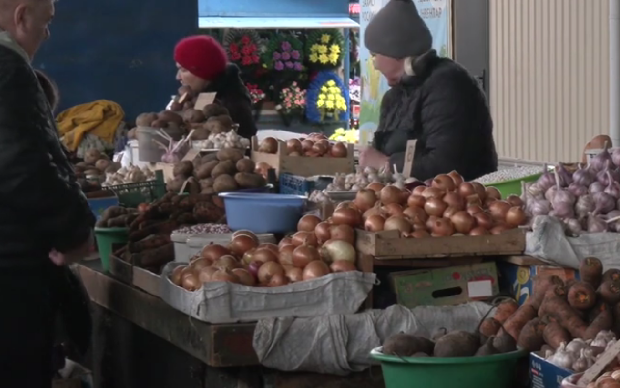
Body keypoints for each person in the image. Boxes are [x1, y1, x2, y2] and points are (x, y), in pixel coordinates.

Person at [0, 0, 96, 385]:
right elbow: (23, 165)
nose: (48, 32)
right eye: (47, 21)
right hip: (11, 274)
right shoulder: (8, 70)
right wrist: (74, 232)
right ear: (22, 16)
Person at [360, 0, 498, 182]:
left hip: (462, 204)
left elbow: (446, 166)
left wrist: (386, 163)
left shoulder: (449, 85)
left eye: (374, 55)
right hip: (410, 205)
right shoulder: (393, 97)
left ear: (398, 52)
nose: (375, 65)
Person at [174, 35, 257, 139]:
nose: (178, 77)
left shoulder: (231, 105)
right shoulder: (193, 97)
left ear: (204, 72)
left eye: (183, 70)